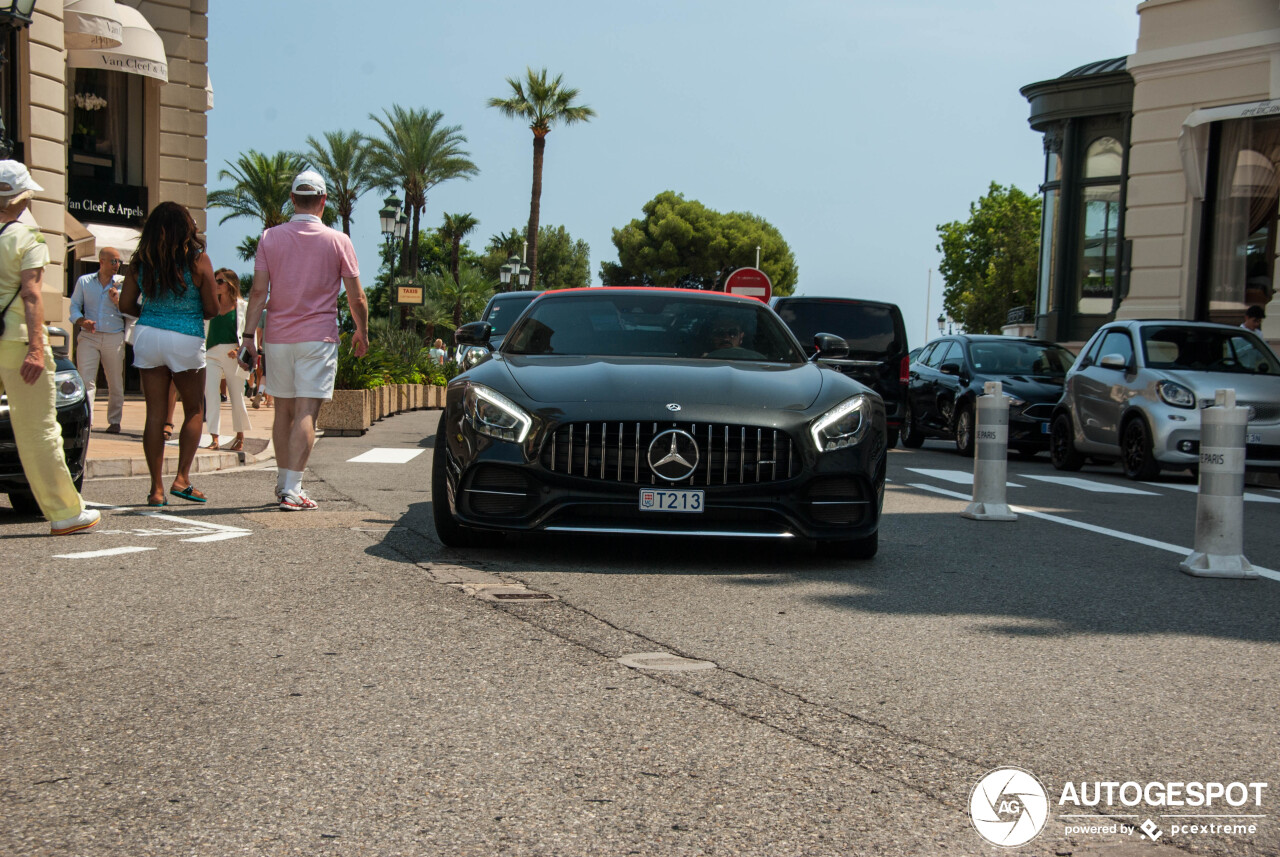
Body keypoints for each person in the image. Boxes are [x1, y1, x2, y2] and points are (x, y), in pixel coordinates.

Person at [240, 169, 369, 511]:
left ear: (293, 200)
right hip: (318, 338)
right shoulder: (339, 241)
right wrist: (362, 331)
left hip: (278, 338)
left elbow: (257, 292)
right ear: (323, 202)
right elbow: (356, 298)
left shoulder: (269, 237)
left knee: (282, 411)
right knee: (306, 412)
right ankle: (293, 489)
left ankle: (285, 485)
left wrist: (249, 336)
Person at [0, 160, 100, 534]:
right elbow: (31, 294)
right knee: (38, 429)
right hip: (16, 342)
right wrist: (37, 348)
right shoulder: (29, 237)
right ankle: (64, 512)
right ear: (23, 195)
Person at [119, 201, 225, 507]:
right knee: (193, 409)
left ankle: (156, 489)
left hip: (148, 334)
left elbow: (125, 306)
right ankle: (182, 478)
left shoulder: (141, 260)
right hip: (186, 338)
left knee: (155, 414)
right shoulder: (198, 260)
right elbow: (212, 309)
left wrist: (152, 313)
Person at [68, 246, 126, 433]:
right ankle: (87, 421)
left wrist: (118, 300)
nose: (117, 265)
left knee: (115, 381)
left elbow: (130, 310)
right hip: (89, 336)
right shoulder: (84, 281)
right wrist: (81, 320)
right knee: (86, 380)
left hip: (114, 336)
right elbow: (75, 305)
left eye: (119, 261)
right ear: (101, 262)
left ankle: (115, 421)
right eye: (113, 261)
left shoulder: (122, 283)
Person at [203, 268, 250, 451]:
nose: (216, 284)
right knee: (212, 394)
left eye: (220, 281)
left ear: (230, 284)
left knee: (237, 396)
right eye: (215, 280)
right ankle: (214, 437)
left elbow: (248, 333)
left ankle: (240, 436)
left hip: (234, 355)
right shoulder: (210, 305)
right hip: (211, 354)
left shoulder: (242, 307)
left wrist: (240, 350)